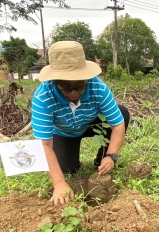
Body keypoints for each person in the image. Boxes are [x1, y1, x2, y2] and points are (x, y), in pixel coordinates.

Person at [32, 41, 130, 205]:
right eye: (65, 86)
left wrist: (111, 155)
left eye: (79, 85)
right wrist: (59, 183)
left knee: (122, 112)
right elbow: (45, 145)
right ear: (55, 81)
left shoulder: (97, 87)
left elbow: (117, 124)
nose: (74, 92)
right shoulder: (43, 97)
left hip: (93, 124)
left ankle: (102, 160)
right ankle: (70, 162)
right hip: (63, 131)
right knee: (67, 170)